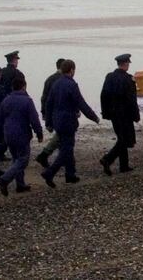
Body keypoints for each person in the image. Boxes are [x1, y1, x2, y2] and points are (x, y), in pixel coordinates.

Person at [41, 59, 100, 188]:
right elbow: (81, 103)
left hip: (57, 121)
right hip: (68, 121)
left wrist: (49, 122)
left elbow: (49, 103)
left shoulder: (56, 83)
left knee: (65, 147)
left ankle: (70, 175)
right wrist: (94, 117)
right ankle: (50, 173)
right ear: (72, 70)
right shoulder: (71, 85)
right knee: (66, 150)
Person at [0, 77, 43, 196]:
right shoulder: (27, 101)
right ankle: (5, 179)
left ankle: (20, 185)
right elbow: (34, 119)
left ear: (12, 87)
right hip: (21, 133)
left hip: (8, 133)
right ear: (24, 87)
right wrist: (39, 133)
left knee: (16, 159)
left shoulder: (6, 100)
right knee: (23, 159)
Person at [99, 54, 140, 175]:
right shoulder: (128, 79)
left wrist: (105, 112)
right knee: (125, 140)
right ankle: (107, 159)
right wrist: (136, 115)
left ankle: (124, 165)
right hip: (125, 114)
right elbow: (132, 100)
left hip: (113, 113)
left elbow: (103, 95)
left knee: (121, 138)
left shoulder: (109, 77)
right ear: (126, 64)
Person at [34, 58, 66, 168]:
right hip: (62, 113)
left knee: (61, 135)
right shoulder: (64, 79)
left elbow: (44, 98)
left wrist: (44, 114)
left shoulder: (49, 79)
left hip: (52, 113)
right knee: (62, 135)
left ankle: (59, 157)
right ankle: (45, 155)